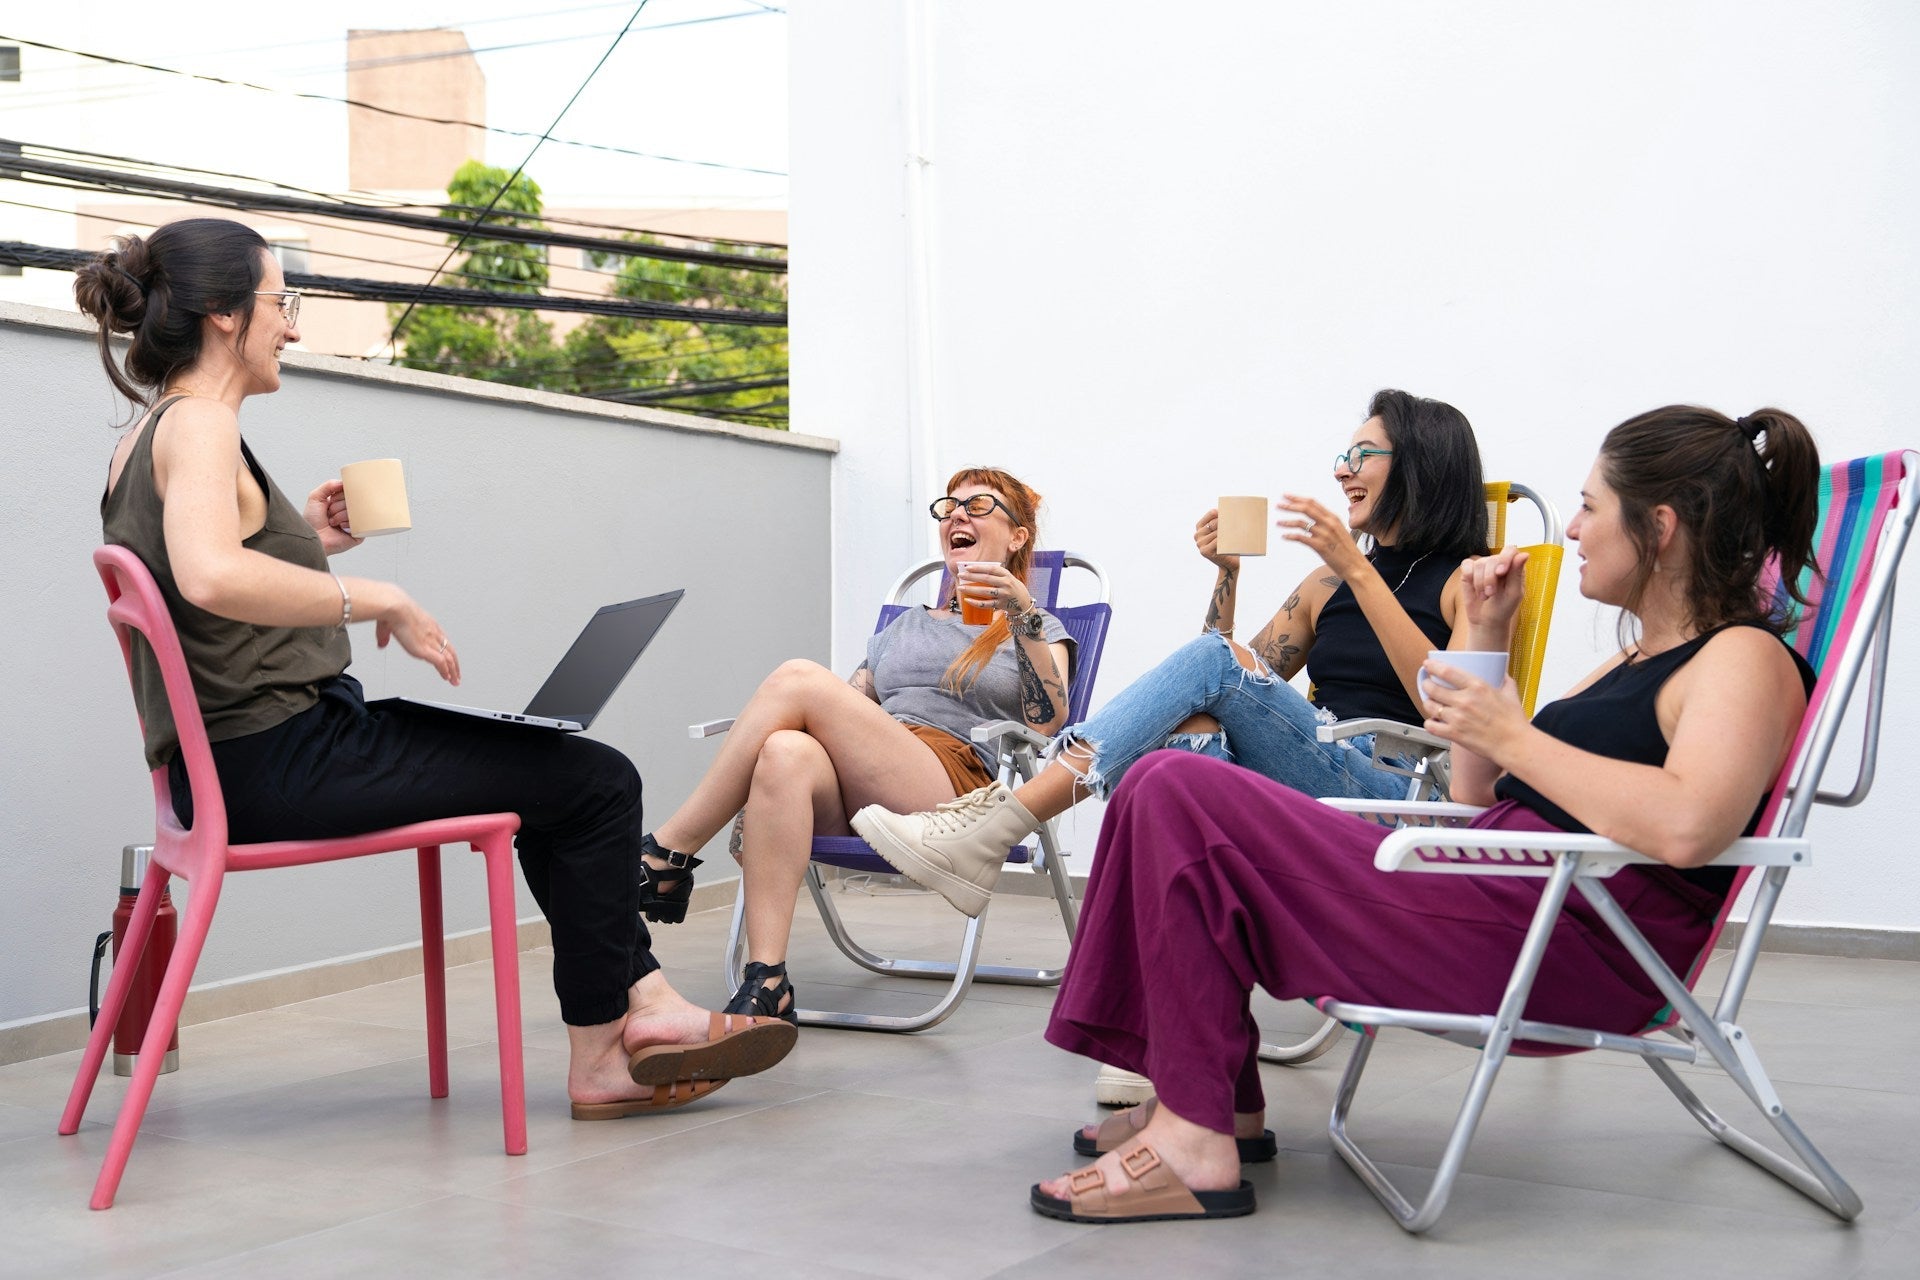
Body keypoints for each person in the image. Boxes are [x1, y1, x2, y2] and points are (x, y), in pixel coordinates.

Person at [1024, 405, 1822, 1223]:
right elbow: (1481, 791)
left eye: (1591, 505)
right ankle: (1217, 1103)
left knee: (1172, 791)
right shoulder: (1635, 661)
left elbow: (1692, 825)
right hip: (1493, 893)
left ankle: (1196, 1142)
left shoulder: (1745, 658)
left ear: (1659, 527)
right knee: (1166, 779)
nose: (1575, 528)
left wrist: (1513, 730)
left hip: (1555, 941)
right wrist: (1487, 634)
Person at [78, 217, 794, 1123]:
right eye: (279, 303)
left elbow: (210, 575)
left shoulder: (149, 435)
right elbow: (211, 576)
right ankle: (609, 1052)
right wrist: (378, 596)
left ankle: (642, 1009)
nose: (290, 326)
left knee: (556, 775)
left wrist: (305, 540)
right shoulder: (202, 425)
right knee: (596, 781)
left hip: (235, 762)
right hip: (283, 759)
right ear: (224, 315)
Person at [852, 390, 1490, 1104]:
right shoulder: (1325, 583)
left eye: (1360, 455)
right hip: (1321, 773)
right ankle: (1159, 1030)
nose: (1343, 470)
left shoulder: (1474, 583)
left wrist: (1363, 572)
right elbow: (1234, 679)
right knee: (1188, 745)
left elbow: (1454, 712)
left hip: (1395, 796)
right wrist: (1228, 575)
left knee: (1209, 675)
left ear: (1422, 464)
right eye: (1343, 456)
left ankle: (999, 824)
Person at [636, 467, 1076, 1021]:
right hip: (869, 782)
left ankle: (665, 854)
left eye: (980, 506)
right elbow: (842, 708)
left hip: (949, 790)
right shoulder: (903, 628)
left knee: (798, 677)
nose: (958, 515)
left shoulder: (1038, 627)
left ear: (1017, 537)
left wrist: (1021, 613)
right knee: (785, 752)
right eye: (949, 507)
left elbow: (1048, 719)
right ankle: (768, 979)